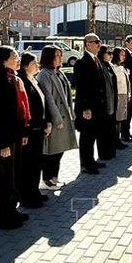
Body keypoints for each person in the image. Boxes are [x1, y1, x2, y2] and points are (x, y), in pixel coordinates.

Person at [0, 46, 30, 230]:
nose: (18, 59)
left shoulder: (13, 78)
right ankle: (3, 217)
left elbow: (19, 110)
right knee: (4, 179)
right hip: (4, 137)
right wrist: (2, 143)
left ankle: (12, 210)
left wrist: (23, 132)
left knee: (14, 176)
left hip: (15, 134)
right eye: (15, 56)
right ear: (3, 60)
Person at [37, 45, 77, 188]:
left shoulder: (58, 72)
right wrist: (57, 119)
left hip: (64, 116)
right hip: (55, 119)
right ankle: (47, 179)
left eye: (61, 55)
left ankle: (54, 176)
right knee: (52, 150)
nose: (61, 58)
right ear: (49, 58)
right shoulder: (44, 74)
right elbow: (49, 99)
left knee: (59, 150)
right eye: (57, 55)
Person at [17, 52, 51, 207]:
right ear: (25, 66)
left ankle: (34, 191)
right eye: (33, 63)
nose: (37, 65)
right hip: (30, 130)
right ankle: (27, 196)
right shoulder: (22, 81)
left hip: (39, 128)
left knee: (36, 164)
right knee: (28, 166)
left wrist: (46, 122)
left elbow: (43, 103)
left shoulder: (33, 80)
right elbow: (26, 108)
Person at [73, 33, 108, 174]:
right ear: (88, 44)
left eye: (99, 42)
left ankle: (91, 160)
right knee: (86, 137)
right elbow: (81, 87)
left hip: (97, 106)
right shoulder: (82, 62)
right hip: (87, 108)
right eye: (96, 42)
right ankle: (85, 164)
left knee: (92, 135)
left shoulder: (96, 60)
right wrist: (86, 108)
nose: (99, 44)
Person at [97, 44, 118, 160]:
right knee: (103, 131)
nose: (111, 55)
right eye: (108, 53)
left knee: (111, 129)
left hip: (112, 102)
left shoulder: (109, 65)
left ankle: (111, 150)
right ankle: (104, 153)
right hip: (105, 103)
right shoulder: (100, 66)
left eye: (111, 53)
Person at [111, 47, 130, 151]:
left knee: (121, 118)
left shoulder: (121, 67)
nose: (123, 56)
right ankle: (116, 140)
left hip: (123, 94)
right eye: (121, 54)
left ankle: (118, 140)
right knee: (117, 119)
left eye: (124, 54)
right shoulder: (114, 67)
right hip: (118, 95)